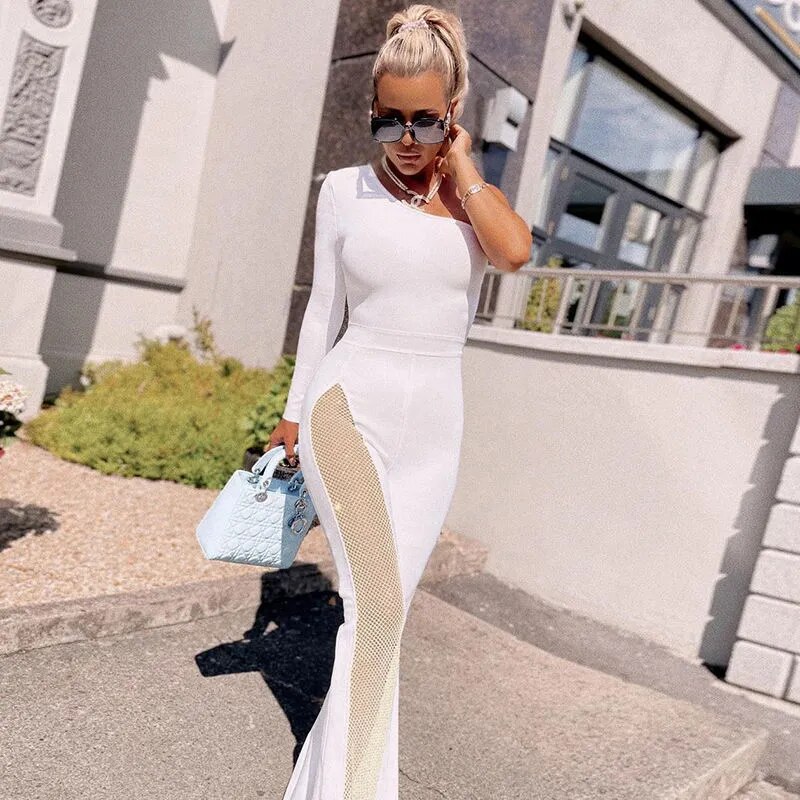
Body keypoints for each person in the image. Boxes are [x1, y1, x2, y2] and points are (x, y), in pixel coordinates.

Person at [268, 5, 531, 798]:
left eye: (427, 121)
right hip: (347, 409)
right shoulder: (343, 191)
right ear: (372, 111)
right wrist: (292, 412)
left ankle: (331, 784)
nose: (408, 139)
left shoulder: (473, 202)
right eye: (390, 120)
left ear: (453, 114)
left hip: (434, 434)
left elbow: (515, 253)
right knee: (376, 607)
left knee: (384, 620)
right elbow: (322, 309)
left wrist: (466, 168)